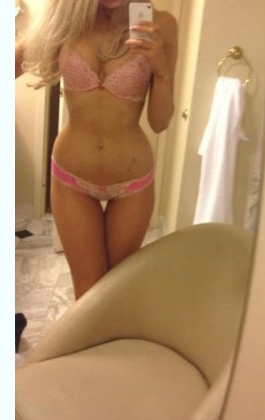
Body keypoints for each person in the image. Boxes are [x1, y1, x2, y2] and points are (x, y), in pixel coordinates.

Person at [15, 0, 178, 300]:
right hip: (72, 178)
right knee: (88, 289)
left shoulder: (162, 25)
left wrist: (162, 71)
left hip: (132, 182)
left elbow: (160, 122)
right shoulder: (65, 17)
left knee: (115, 290)